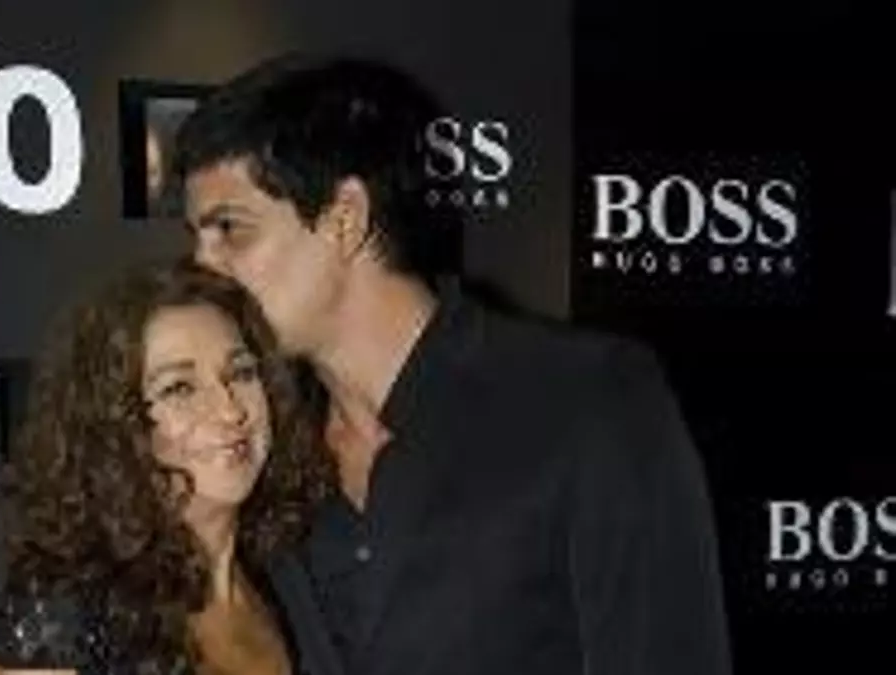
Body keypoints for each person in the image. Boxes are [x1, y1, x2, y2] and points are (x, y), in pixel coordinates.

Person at [171, 53, 734, 675]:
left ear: (344, 218)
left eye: (231, 229)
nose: (203, 269)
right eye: (197, 237)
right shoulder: (256, 450)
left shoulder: (586, 398)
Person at [0, 261, 340, 675]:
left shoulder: (289, 581)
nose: (230, 410)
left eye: (241, 373)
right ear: (115, 423)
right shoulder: (65, 611)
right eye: (180, 388)